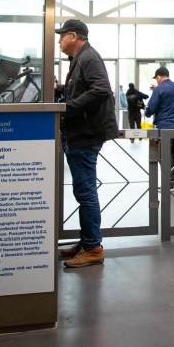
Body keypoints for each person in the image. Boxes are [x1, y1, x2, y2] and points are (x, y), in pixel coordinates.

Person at [56, 18, 118, 269]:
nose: (59, 40)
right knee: (83, 192)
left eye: (61, 36)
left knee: (86, 193)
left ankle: (93, 247)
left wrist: (68, 107)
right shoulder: (80, 59)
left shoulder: (89, 57)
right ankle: (87, 241)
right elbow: (86, 88)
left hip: (85, 134)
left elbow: (101, 89)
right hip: (80, 134)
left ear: (73, 36)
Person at [145, 67, 174, 186]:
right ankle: (172, 182)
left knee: (164, 157)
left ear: (158, 77)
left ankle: (168, 183)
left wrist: (147, 113)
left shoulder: (159, 89)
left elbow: (151, 108)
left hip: (164, 128)